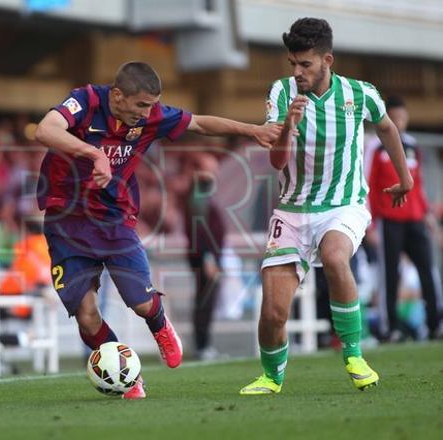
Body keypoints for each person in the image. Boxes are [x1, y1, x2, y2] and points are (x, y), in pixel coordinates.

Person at [34, 61, 281, 399]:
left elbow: (199, 123)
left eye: (152, 105)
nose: (148, 113)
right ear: (118, 96)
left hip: (114, 217)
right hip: (66, 221)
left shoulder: (149, 115)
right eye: (141, 105)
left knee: (140, 302)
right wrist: (94, 154)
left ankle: (161, 326)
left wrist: (251, 130)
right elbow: (45, 130)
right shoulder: (86, 101)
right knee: (87, 315)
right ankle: (129, 379)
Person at [240, 18, 413, 395]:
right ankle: (272, 377)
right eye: (293, 64)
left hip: (344, 204)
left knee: (336, 257)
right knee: (273, 312)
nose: (298, 72)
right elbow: (276, 161)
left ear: (327, 60)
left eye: (306, 64)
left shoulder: (360, 94)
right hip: (292, 209)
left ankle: (353, 352)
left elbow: (386, 127)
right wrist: (288, 125)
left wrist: (405, 177)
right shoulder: (282, 93)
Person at [367, 96, 441, 341]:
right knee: (390, 274)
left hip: (415, 217)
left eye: (402, 118)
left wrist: (428, 217)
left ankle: (435, 323)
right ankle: (391, 328)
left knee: (427, 269)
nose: (398, 122)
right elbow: (369, 183)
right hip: (389, 219)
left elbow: (417, 185)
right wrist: (370, 222)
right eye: (394, 118)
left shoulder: (413, 146)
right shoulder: (375, 147)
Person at [181, 152, 226, 360]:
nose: (215, 170)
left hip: (206, 254)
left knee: (205, 300)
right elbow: (199, 228)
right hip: (204, 256)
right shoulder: (199, 191)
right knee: (205, 300)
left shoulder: (202, 191)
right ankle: (202, 346)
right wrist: (209, 258)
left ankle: (204, 345)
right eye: (211, 166)